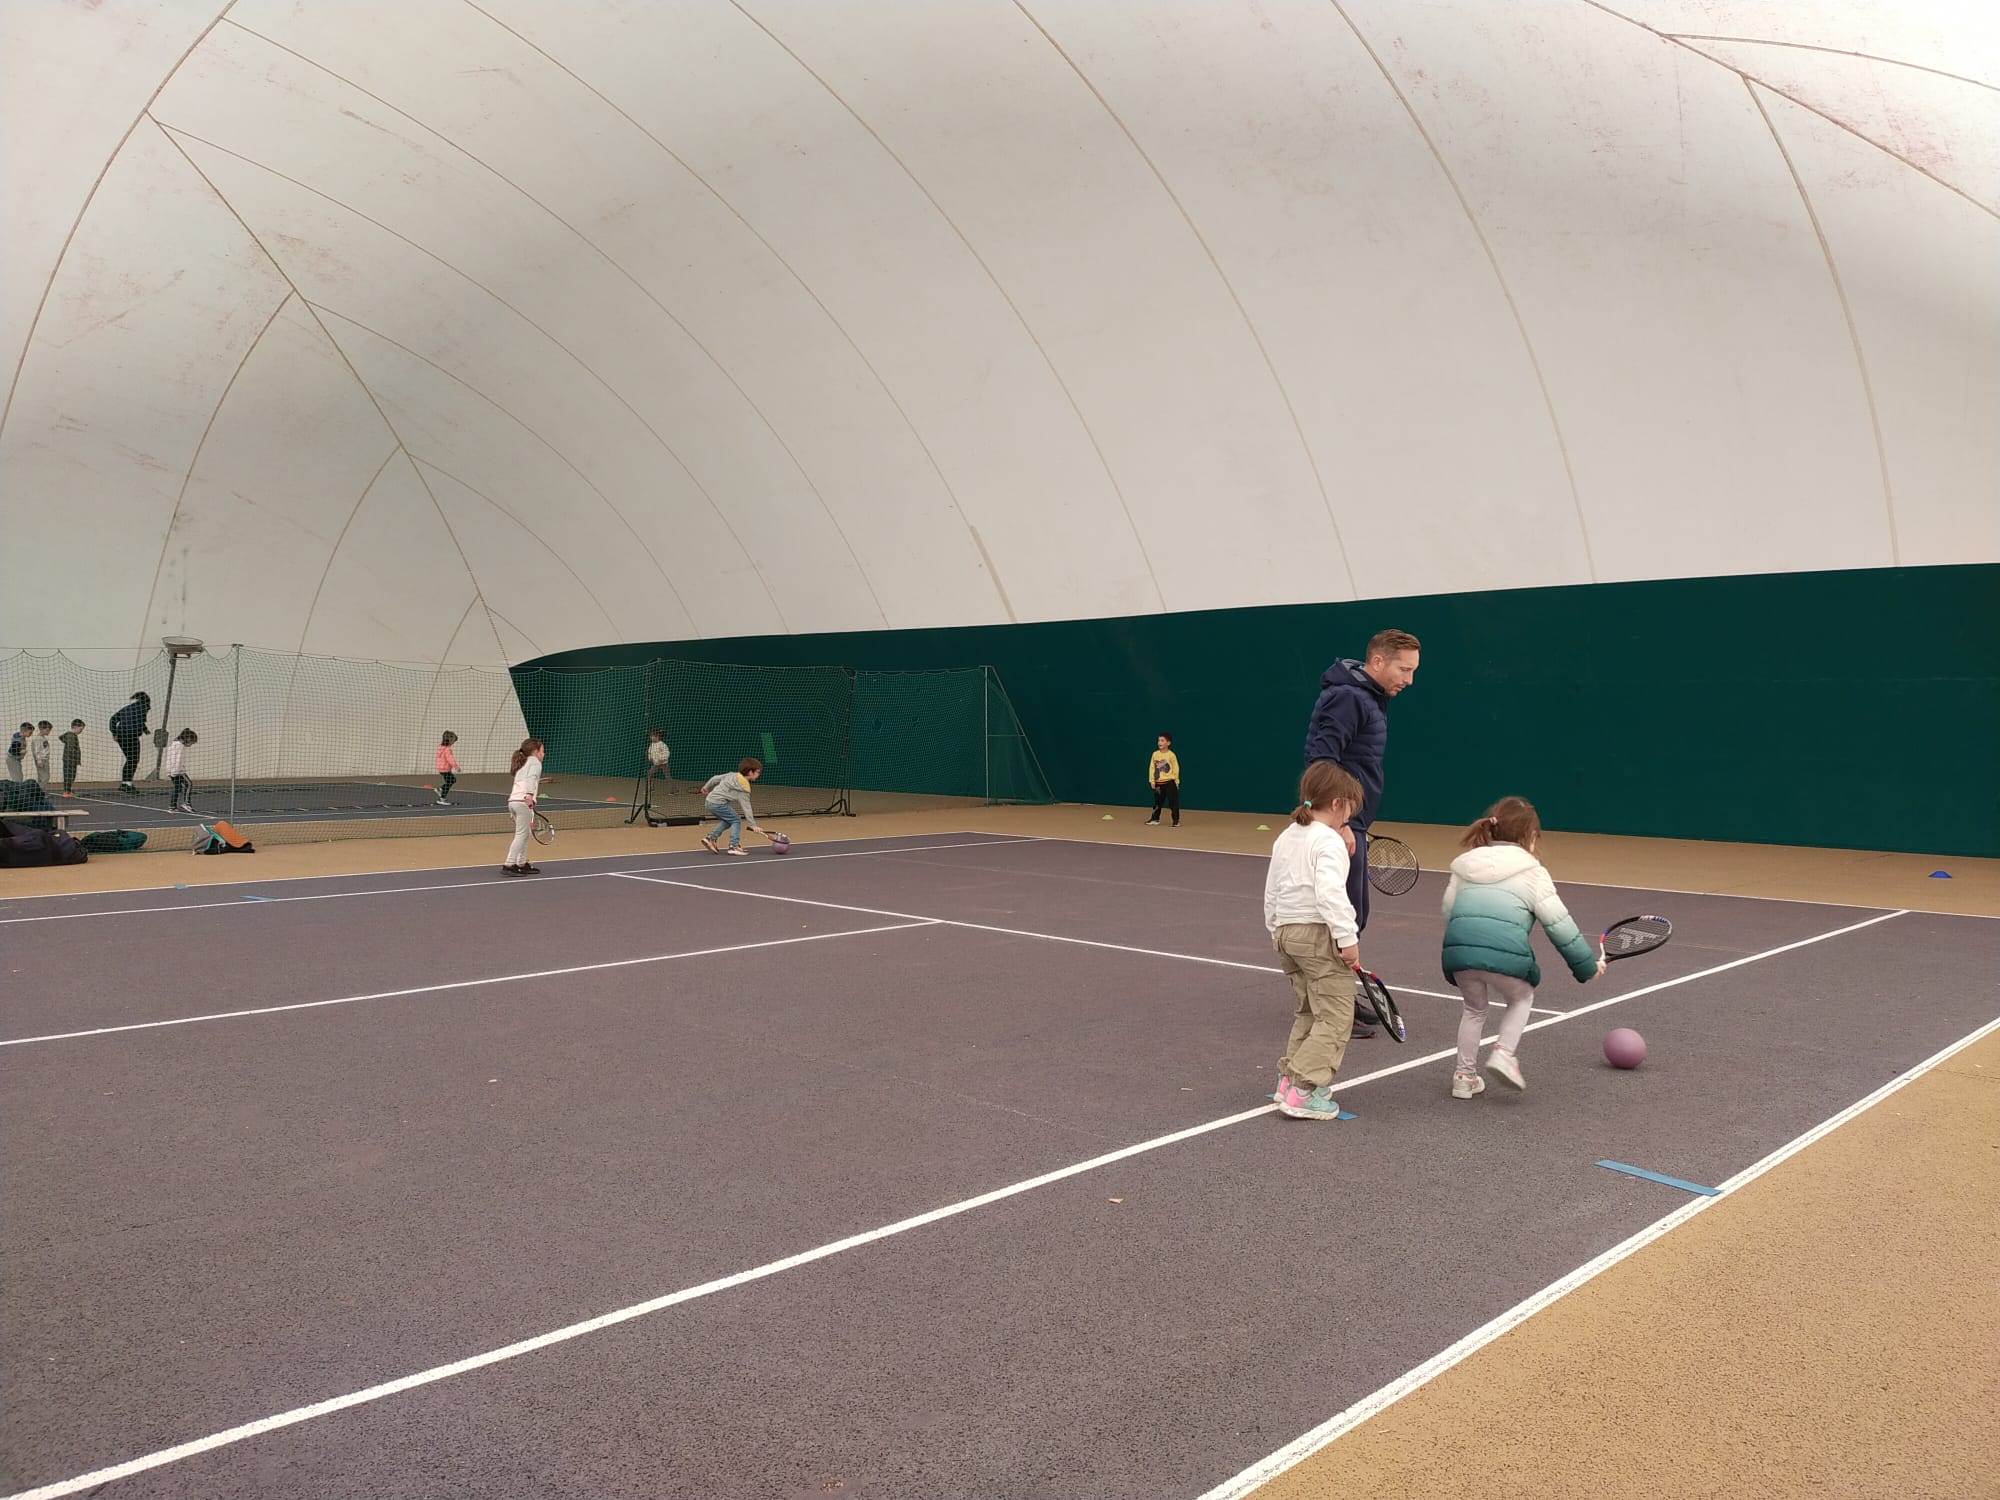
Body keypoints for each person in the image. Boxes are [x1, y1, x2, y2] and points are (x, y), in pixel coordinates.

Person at [1439, 796, 1604, 1098]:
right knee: (1522, 998)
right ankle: (1504, 1053)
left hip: (1459, 954)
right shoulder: (1533, 872)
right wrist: (1587, 967)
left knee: (1474, 1010)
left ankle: (1464, 1077)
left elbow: (1449, 912)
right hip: (1504, 958)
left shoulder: (1464, 867)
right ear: (1530, 837)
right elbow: (1560, 925)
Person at [1301, 628, 1420, 1037]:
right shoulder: (1349, 698)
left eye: (1413, 671)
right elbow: (1321, 758)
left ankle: (1339, 998)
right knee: (1339, 917)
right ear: (1378, 661)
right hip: (1341, 826)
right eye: (1404, 669)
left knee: (1353, 915)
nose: (1409, 680)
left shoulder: (1368, 698)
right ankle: (1331, 1007)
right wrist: (1340, 824)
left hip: (1352, 823)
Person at [1264, 760, 1366, 1121]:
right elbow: (1330, 893)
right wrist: (1347, 938)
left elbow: (1272, 888)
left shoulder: (1288, 835)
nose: (1350, 816)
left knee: (1308, 1009)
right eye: (1350, 807)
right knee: (1336, 1015)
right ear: (1338, 803)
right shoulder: (1329, 841)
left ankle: (1288, 1081)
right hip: (1316, 934)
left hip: (1287, 933)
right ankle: (1304, 1091)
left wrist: (1275, 929)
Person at [699, 757, 768, 856]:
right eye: (757, 772)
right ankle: (733, 846)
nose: (759, 774)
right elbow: (747, 808)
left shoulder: (732, 775)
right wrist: (752, 825)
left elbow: (714, 778)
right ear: (750, 772)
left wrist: (705, 787)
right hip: (718, 804)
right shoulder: (744, 788)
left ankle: (711, 838)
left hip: (709, 801)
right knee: (736, 820)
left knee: (728, 820)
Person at [502, 737, 544, 876]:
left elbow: (518, 784)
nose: (543, 754)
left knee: (526, 834)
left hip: (514, 802)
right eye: (542, 751)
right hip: (523, 802)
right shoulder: (535, 762)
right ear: (535, 752)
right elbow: (531, 779)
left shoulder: (523, 763)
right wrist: (529, 795)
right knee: (521, 834)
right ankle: (509, 864)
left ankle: (521, 862)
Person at [109, 691, 151, 792]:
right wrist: (145, 731)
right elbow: (140, 721)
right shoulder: (144, 707)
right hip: (131, 735)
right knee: (133, 759)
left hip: (121, 735)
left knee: (130, 759)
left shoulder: (128, 708)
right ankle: (127, 784)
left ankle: (125, 783)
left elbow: (113, 719)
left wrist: (114, 733)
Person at [1144, 733, 1181, 828]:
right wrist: (1152, 781)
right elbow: (1152, 768)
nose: (1159, 742)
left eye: (1162, 740)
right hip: (1159, 784)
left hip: (1170, 783)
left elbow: (1176, 768)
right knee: (1157, 802)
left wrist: (1176, 781)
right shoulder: (1155, 754)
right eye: (1159, 740)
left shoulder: (1171, 755)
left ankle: (1176, 821)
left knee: (1173, 802)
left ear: (1168, 743)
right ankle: (1155, 819)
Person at [162, 728, 198, 813]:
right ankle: (186, 803)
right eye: (192, 742)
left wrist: (169, 771)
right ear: (187, 739)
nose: (191, 745)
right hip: (177, 770)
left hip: (171, 769)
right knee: (189, 784)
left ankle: (172, 806)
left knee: (177, 787)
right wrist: (177, 771)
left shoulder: (174, 744)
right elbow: (177, 759)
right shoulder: (179, 746)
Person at [59, 720, 84, 797]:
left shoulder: (70, 735)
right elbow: (71, 748)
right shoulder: (71, 736)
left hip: (70, 759)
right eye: (80, 729)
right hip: (70, 759)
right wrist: (75, 758)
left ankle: (68, 790)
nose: (81, 731)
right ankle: (66, 791)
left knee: (70, 775)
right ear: (75, 727)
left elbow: (61, 738)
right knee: (69, 775)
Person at [434, 730, 460, 806]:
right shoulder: (447, 749)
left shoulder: (440, 747)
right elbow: (450, 759)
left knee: (451, 780)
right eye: (453, 741)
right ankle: (442, 799)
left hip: (441, 768)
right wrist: (456, 766)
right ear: (449, 740)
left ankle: (440, 789)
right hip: (445, 769)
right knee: (450, 782)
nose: (453, 743)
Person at [31, 722, 53, 787]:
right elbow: (36, 751)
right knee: (45, 778)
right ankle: (40, 791)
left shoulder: (43, 738)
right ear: (41, 729)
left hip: (45, 759)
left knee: (41, 778)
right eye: (47, 730)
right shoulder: (37, 739)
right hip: (42, 760)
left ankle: (39, 791)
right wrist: (39, 761)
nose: (49, 732)